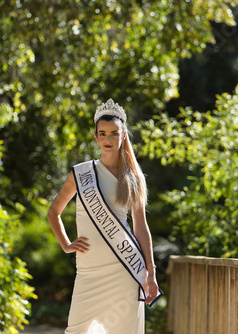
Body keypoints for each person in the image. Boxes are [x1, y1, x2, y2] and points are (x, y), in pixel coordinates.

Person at [47, 99, 161, 334]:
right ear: (96, 137)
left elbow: (141, 228)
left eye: (114, 134)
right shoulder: (81, 173)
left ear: (123, 135)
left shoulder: (133, 178)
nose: (108, 140)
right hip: (88, 272)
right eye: (103, 134)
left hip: (124, 270)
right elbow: (53, 211)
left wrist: (151, 272)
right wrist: (66, 245)